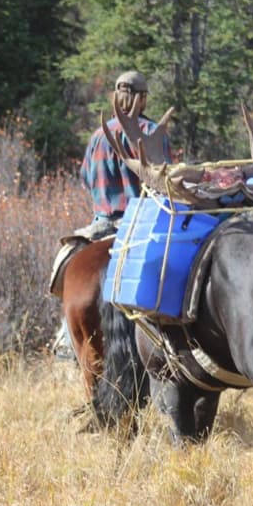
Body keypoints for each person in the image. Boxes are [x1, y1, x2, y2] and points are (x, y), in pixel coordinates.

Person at [48, 70, 176, 359]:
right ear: (142, 99)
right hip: (142, 223)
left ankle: (66, 339)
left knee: (67, 268)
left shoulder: (98, 135)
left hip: (102, 225)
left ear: (116, 95)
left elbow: (86, 178)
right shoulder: (153, 133)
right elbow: (165, 181)